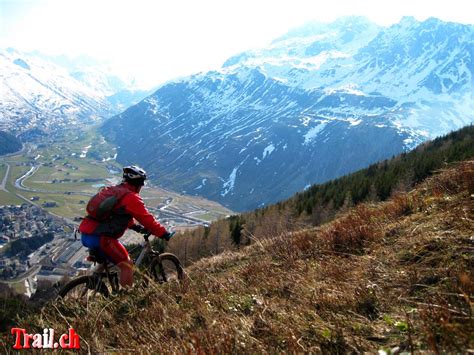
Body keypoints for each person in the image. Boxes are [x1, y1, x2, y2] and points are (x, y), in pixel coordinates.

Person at [79, 165, 173, 288]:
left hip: (86, 234)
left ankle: (93, 282)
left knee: (106, 259)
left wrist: (133, 226)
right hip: (101, 238)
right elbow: (147, 219)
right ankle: (125, 298)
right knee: (127, 265)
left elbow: (117, 214)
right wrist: (163, 233)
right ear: (139, 184)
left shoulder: (115, 190)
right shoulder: (131, 197)